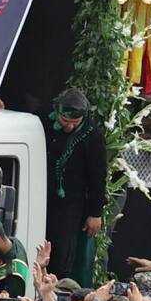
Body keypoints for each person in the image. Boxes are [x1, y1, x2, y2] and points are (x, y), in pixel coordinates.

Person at [42, 88, 106, 282]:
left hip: (71, 203)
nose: (69, 126)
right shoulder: (45, 122)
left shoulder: (92, 135)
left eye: (74, 122)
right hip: (43, 194)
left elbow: (98, 176)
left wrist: (96, 213)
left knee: (62, 250)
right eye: (64, 121)